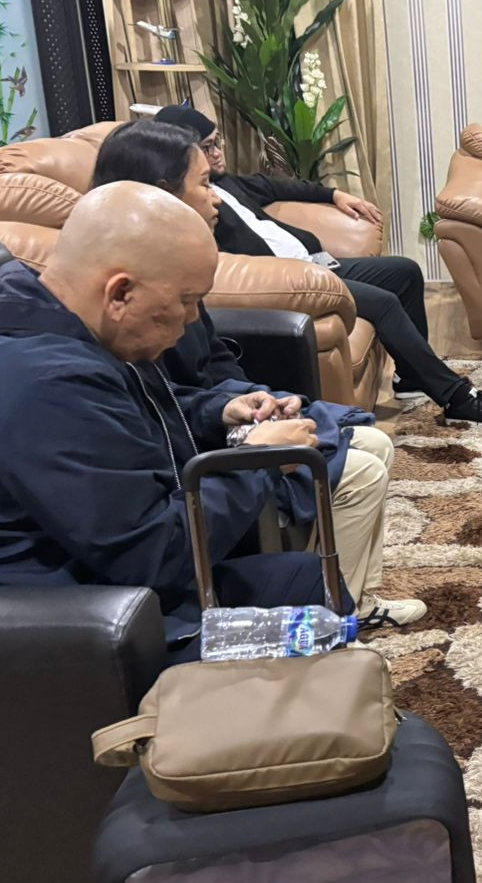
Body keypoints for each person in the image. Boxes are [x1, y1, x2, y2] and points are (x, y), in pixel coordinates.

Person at [90, 119, 425, 629]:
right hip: (196, 475)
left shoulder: (165, 272)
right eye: (204, 183)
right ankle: (332, 617)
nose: (216, 198)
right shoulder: (107, 327)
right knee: (360, 470)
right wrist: (255, 453)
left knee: (373, 442)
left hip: (212, 431)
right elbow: (146, 541)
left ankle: (353, 601)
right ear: (160, 196)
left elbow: (183, 390)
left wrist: (240, 401)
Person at [0, 184, 347, 655]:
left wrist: (217, 411)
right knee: (316, 620)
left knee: (310, 580)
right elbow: (156, 555)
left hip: (115, 587)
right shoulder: (49, 383)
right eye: (186, 300)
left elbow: (129, 415)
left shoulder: (63, 325)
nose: (192, 319)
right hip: (85, 631)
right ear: (120, 292)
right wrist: (258, 460)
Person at [154, 105, 482, 429]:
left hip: (315, 264)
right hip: (293, 281)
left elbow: (279, 186)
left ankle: (410, 378)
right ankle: (456, 397)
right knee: (383, 303)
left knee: (405, 272)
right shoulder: (192, 209)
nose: (218, 153)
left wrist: (335, 194)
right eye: (207, 148)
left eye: (218, 142)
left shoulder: (227, 184)